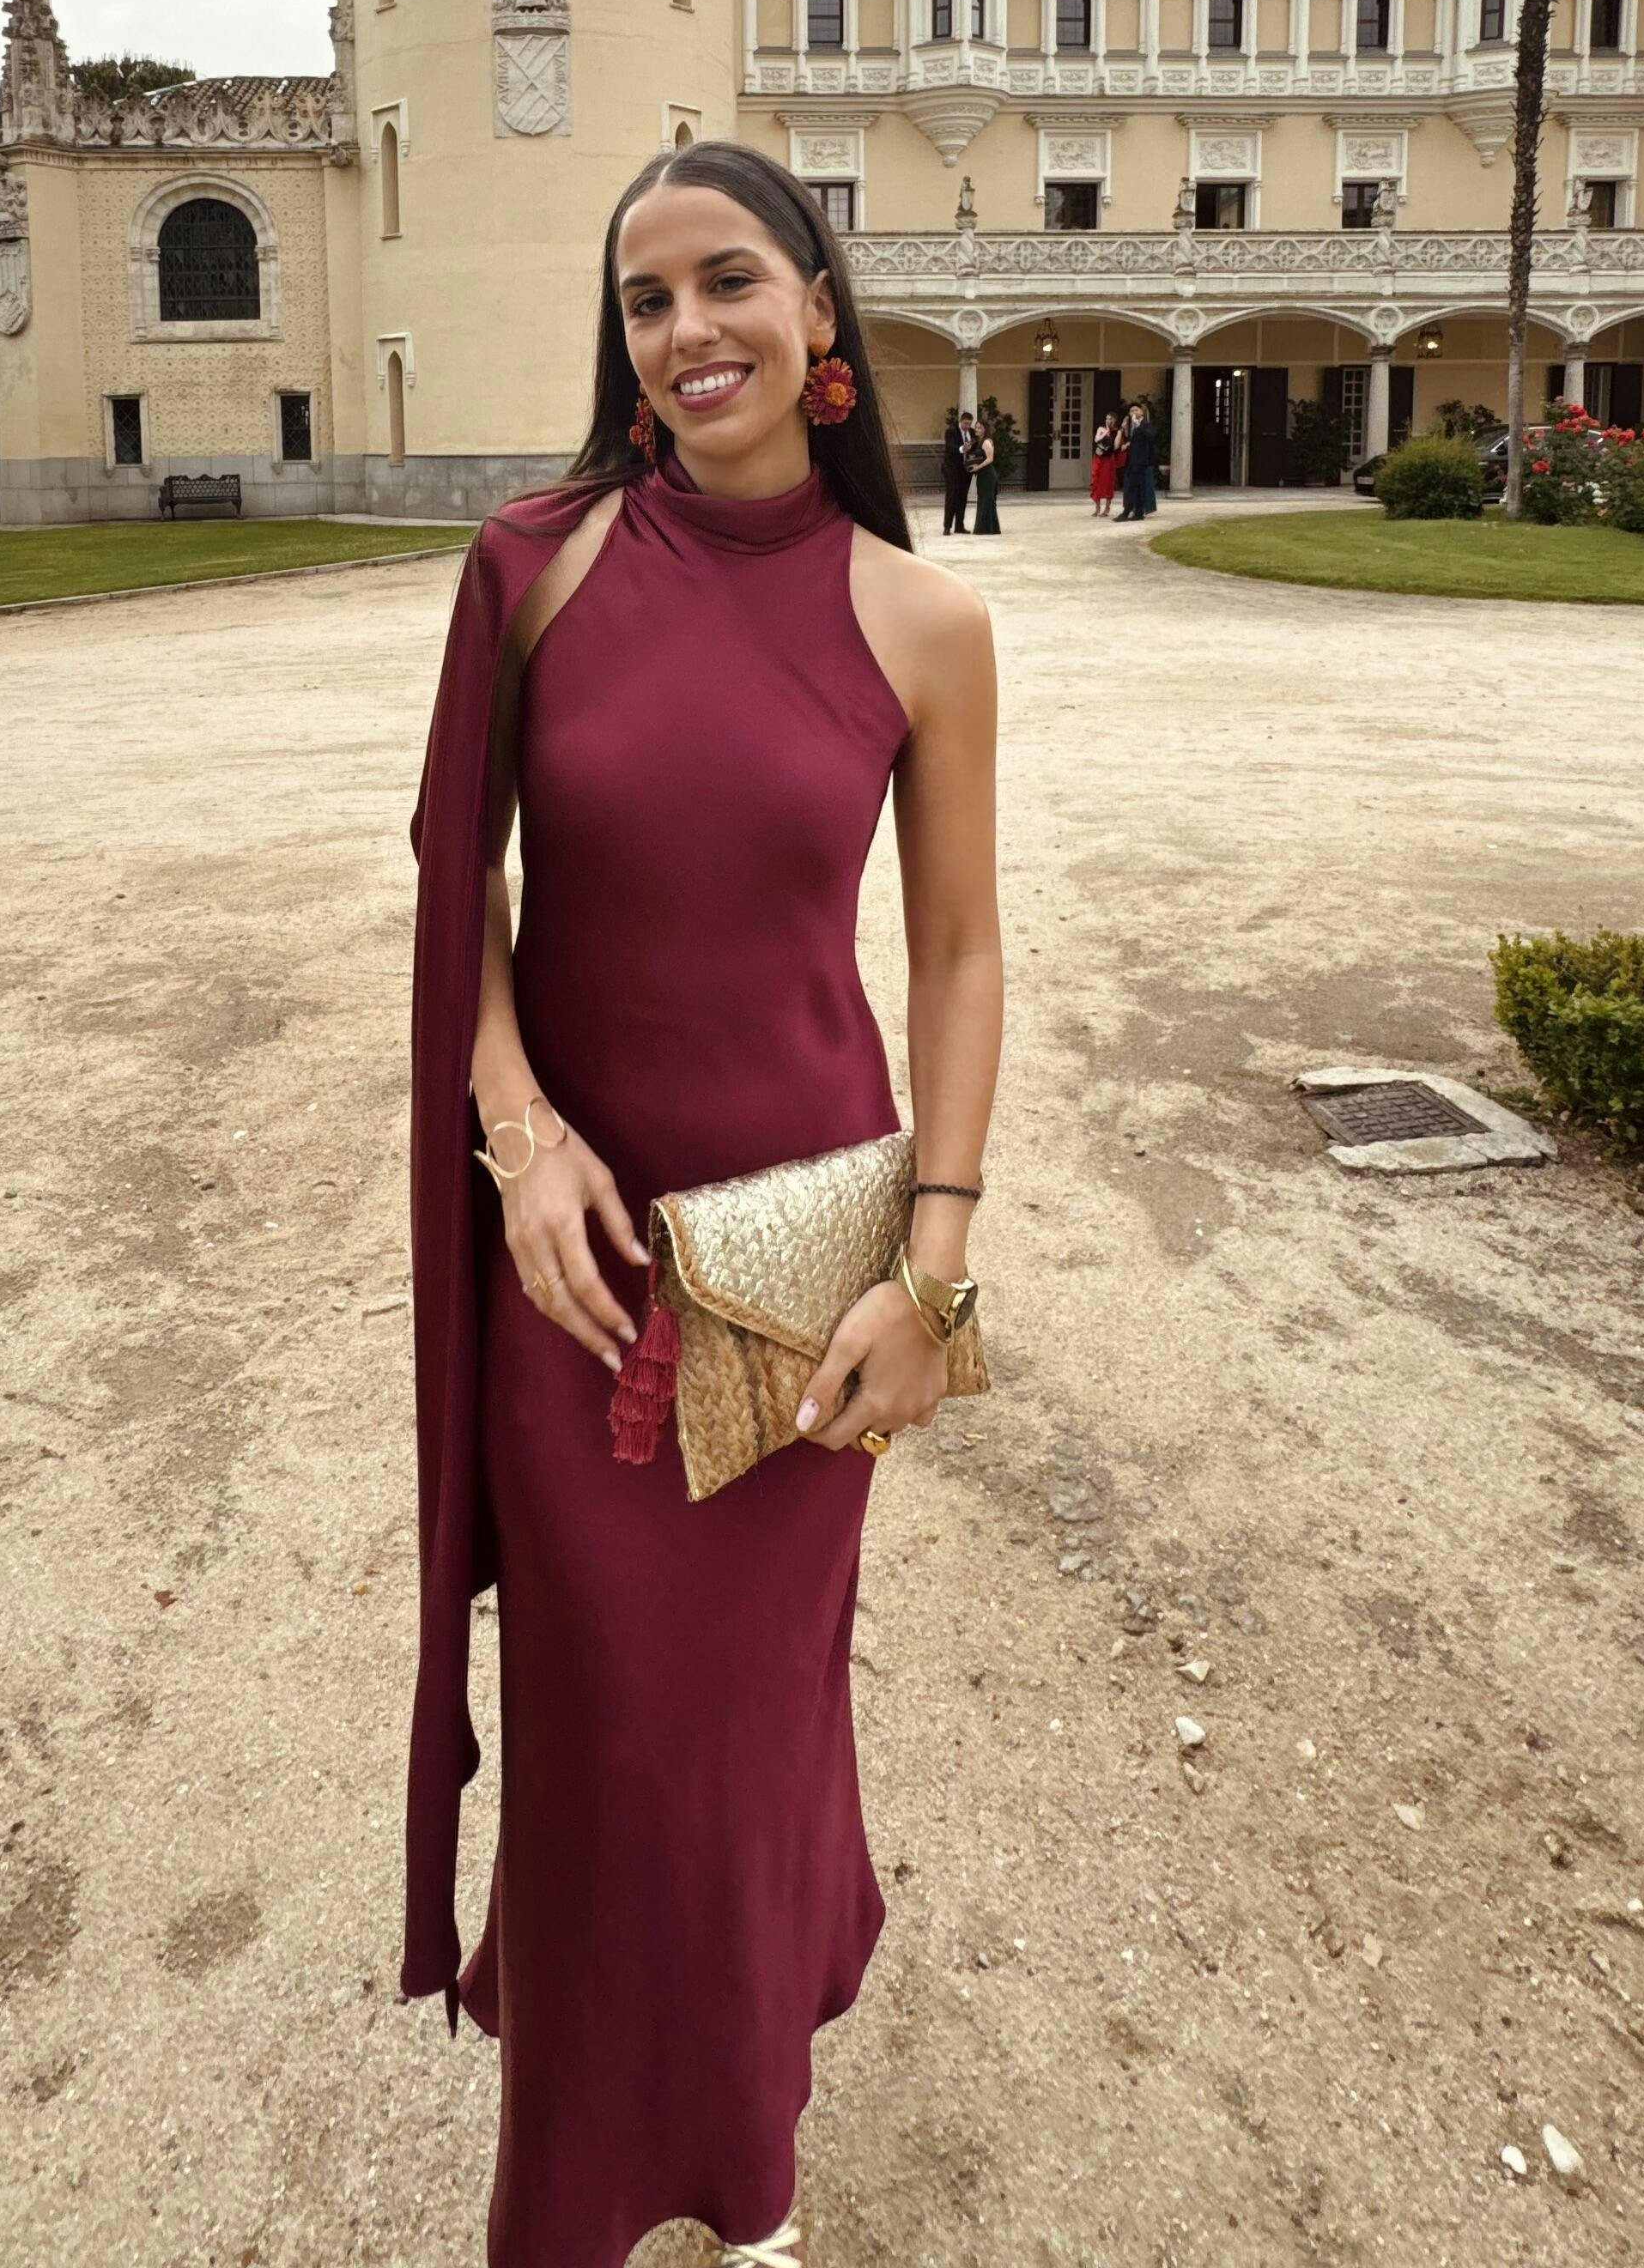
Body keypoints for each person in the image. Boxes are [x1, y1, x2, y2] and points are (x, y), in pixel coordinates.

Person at [403, 140, 1002, 2268]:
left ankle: (749, 2177)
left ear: (821, 307)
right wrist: (517, 1134)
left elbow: (959, 955)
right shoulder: (533, 566)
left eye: (729, 280)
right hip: (577, 1264)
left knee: (742, 1734)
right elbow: (457, 875)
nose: (687, 333)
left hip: (802, 1266)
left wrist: (937, 1275)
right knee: (601, 1738)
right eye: (645, 300)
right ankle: (575, 2191)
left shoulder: (926, 621)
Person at [1117, 397, 1159, 521]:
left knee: (1139, 487)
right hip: (1132, 460)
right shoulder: (1130, 426)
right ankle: (1134, 511)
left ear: (1141, 412)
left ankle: (1132, 512)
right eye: (1131, 411)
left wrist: (1138, 426)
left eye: (1136, 410)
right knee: (1132, 487)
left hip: (1143, 461)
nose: (1133, 413)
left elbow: (1151, 437)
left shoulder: (1146, 424)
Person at [964, 409, 1002, 534]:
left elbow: (990, 458)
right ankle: (986, 528)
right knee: (983, 499)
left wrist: (978, 467)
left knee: (987, 500)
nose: (977, 430)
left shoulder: (986, 441)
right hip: (982, 475)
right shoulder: (979, 441)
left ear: (985, 429)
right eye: (976, 427)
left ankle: (988, 528)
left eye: (979, 428)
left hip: (988, 475)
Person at [938, 406, 972, 535]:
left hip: (965, 470)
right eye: (965, 423)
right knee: (952, 496)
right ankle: (947, 527)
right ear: (961, 421)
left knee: (962, 497)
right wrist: (962, 449)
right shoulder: (951, 431)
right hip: (951, 469)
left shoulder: (971, 432)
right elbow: (950, 447)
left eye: (969, 424)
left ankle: (959, 526)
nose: (967, 426)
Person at [1088, 409, 1124, 521]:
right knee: (1096, 480)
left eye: (1110, 419)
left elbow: (1116, 447)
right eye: (1107, 418)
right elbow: (1096, 440)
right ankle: (1097, 507)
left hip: (1108, 459)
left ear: (1115, 420)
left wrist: (1118, 434)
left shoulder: (1117, 432)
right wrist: (1106, 432)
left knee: (1108, 482)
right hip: (1098, 458)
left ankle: (1107, 508)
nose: (1108, 421)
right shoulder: (1101, 429)